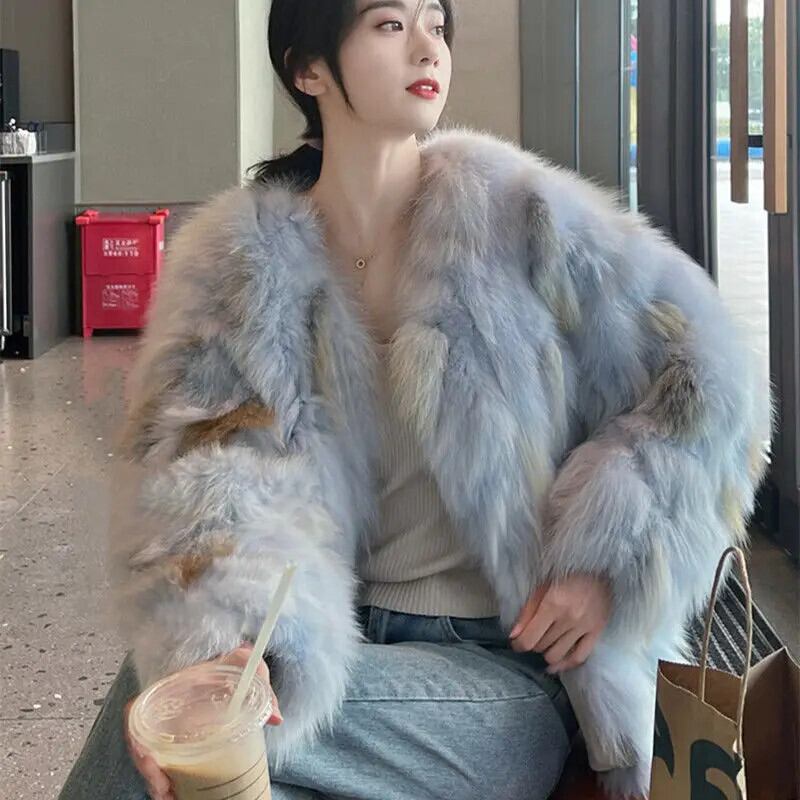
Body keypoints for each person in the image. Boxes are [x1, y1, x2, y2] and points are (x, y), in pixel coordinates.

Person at [58, 0, 772, 798]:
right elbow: (199, 481)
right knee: (198, 743)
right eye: (390, 24)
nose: (428, 46)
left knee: (170, 728)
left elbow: (712, 381)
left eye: (436, 22)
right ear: (309, 69)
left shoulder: (521, 214)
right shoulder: (235, 271)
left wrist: (608, 562)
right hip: (330, 649)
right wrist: (238, 643)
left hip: (503, 671)